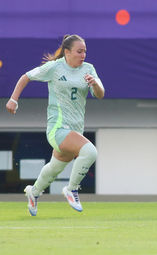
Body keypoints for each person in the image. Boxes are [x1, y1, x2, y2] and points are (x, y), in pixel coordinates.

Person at [6, 34, 105, 216]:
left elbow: (100, 94)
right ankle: (72, 189)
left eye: (84, 51)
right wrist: (13, 99)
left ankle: (33, 192)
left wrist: (95, 84)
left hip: (75, 129)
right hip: (57, 128)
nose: (83, 55)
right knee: (90, 152)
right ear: (67, 52)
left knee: (55, 168)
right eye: (79, 51)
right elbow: (25, 76)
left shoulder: (88, 69)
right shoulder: (55, 67)